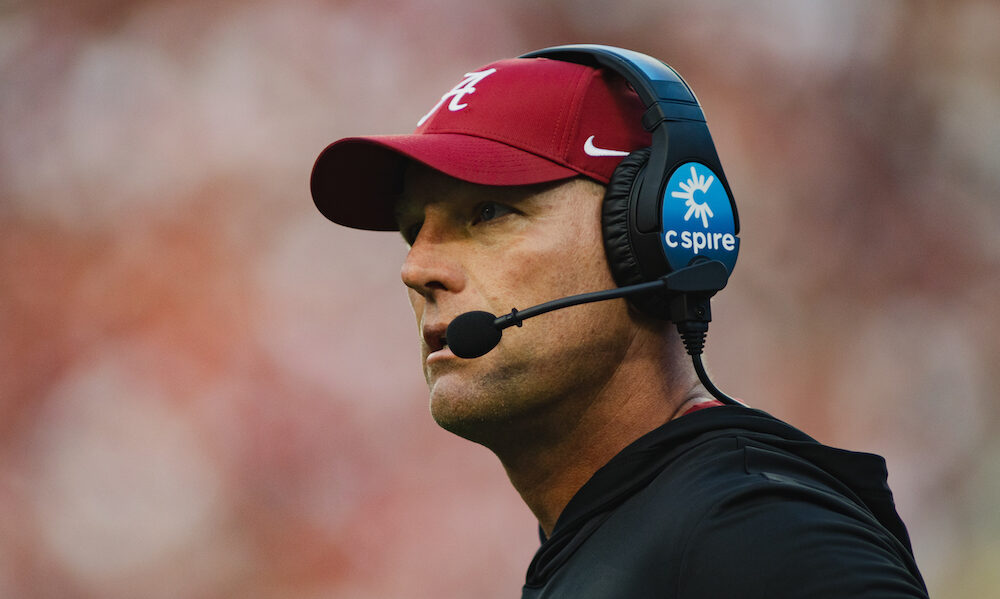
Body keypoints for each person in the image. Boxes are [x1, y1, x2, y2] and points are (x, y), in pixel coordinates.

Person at [310, 46, 928, 598]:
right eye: (414, 229)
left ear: (648, 237)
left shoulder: (753, 531)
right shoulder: (626, 534)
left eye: (489, 212)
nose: (416, 268)